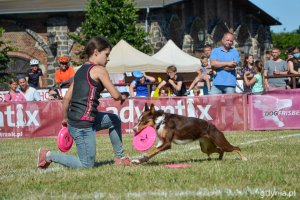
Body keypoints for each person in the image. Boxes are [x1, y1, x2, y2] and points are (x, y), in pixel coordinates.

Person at [37, 36, 131, 169]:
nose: (108, 58)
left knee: (114, 119)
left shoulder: (80, 70)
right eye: (106, 54)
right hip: (83, 124)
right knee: (86, 165)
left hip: (78, 121)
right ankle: (47, 155)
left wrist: (65, 119)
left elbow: (66, 99)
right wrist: (123, 96)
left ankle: (120, 157)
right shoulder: (100, 70)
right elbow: (115, 95)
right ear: (96, 52)